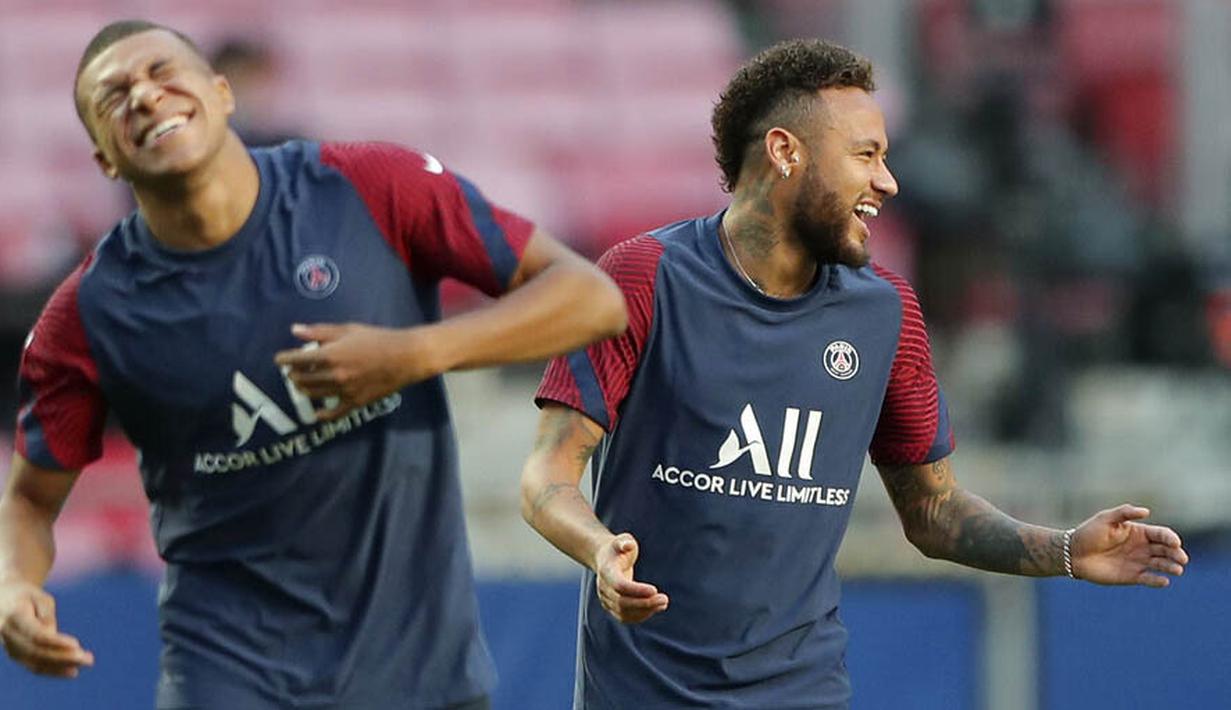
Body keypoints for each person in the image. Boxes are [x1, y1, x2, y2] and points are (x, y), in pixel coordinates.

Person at [520, 39, 1189, 709]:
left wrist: (1067, 550)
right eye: (864, 155)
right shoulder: (642, 277)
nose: (887, 181)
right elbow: (547, 476)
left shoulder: (883, 310)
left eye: (885, 157)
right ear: (786, 152)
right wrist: (600, 549)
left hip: (805, 694)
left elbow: (932, 510)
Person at [0, 19, 626, 710]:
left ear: (222, 92)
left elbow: (591, 299)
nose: (143, 97)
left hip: (420, 672)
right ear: (104, 160)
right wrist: (14, 584)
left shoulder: (368, 186)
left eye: (159, 72)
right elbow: (31, 498)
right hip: (228, 673)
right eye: (113, 97)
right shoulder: (86, 315)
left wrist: (413, 354)